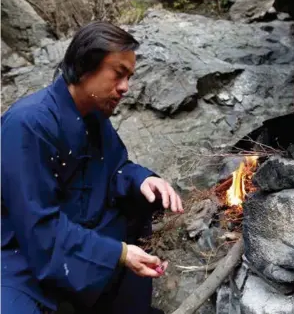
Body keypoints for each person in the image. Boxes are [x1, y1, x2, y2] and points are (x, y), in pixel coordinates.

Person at [1, 21, 184, 314]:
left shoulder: (93, 116)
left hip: (76, 233)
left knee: (137, 201)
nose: (125, 88)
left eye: (129, 77)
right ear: (85, 68)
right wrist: (119, 253)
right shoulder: (28, 124)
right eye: (118, 74)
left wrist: (142, 180)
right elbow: (38, 225)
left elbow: (115, 169)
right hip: (20, 256)